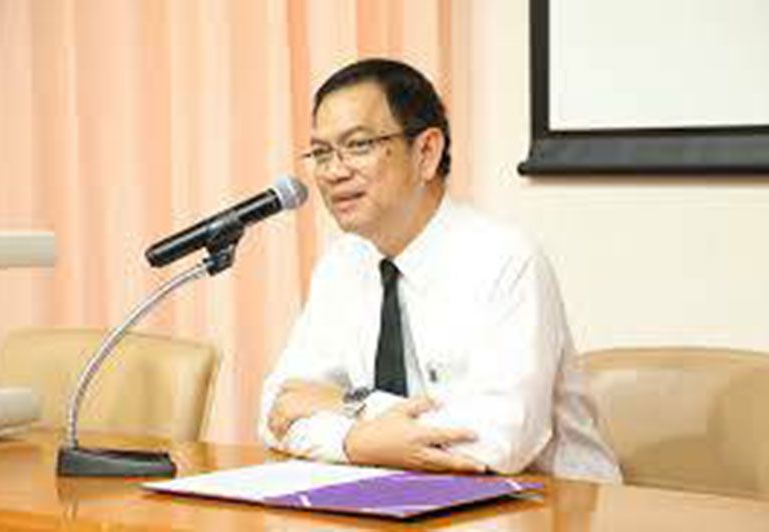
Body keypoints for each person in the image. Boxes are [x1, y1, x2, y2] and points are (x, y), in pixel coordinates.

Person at [258, 58, 621, 482]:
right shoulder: (342, 265)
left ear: (426, 152)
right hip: (398, 498)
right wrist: (356, 442)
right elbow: (277, 412)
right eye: (321, 152)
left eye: (357, 145)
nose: (334, 171)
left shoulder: (505, 260)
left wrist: (349, 405)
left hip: (548, 502)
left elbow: (496, 444)